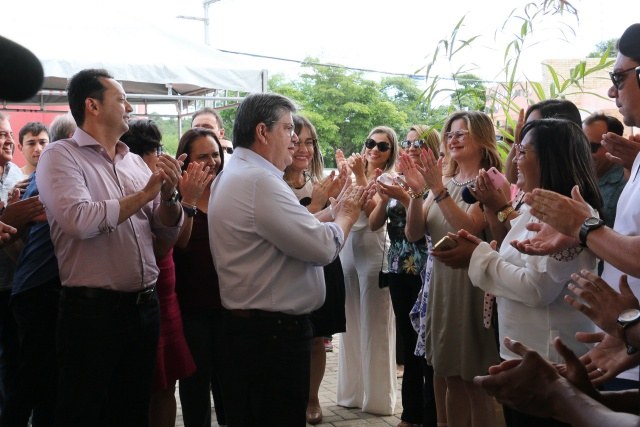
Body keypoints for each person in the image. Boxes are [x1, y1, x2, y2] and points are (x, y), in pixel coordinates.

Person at [36, 68, 185, 426]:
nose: (129, 106)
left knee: (132, 408)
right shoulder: (60, 156)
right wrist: (147, 193)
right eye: (121, 99)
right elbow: (80, 220)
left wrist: (170, 198)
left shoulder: (133, 161)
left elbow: (162, 235)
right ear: (93, 105)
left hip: (143, 306)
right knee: (84, 410)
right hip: (92, 313)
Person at [208, 92, 366, 426]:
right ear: (263, 132)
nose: (294, 140)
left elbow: (292, 228)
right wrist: (347, 215)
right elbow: (321, 248)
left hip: (254, 331)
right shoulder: (259, 180)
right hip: (271, 338)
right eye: (287, 129)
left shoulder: (241, 172)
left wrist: (331, 212)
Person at [512, 23, 640, 390]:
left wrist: (584, 226)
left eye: (620, 76)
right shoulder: (635, 160)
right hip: (624, 350)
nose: (612, 90)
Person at [452, 118, 602, 427]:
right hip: (527, 355)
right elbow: (521, 261)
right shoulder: (538, 206)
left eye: (523, 150)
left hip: (553, 363)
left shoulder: (569, 213)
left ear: (551, 157)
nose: (514, 157)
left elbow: (537, 288)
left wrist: (477, 255)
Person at [403, 110, 502, 427]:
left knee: (475, 381)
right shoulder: (441, 181)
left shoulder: (489, 183)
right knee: (444, 375)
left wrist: (437, 189)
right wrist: (419, 192)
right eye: (450, 133)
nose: (453, 139)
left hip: (472, 290)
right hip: (441, 289)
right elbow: (414, 234)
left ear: (482, 138)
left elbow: (468, 229)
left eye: (462, 133)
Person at [120, 119, 198, 427]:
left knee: (166, 384)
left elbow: (171, 245)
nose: (151, 158)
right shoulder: (125, 185)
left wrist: (174, 194)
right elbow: (162, 248)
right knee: (141, 385)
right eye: (146, 150)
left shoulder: (164, 187)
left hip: (164, 293)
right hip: (139, 294)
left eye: (154, 149)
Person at [369, 125, 439, 427]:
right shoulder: (395, 178)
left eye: (418, 143)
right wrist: (386, 197)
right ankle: (411, 415)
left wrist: (410, 195)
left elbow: (418, 232)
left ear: (432, 149)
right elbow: (374, 224)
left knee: (429, 346)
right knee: (410, 345)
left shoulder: (435, 184)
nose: (410, 148)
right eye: (408, 143)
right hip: (398, 269)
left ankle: (430, 412)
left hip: (427, 269)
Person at [283, 114, 346, 424]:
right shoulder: (271, 185)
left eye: (309, 142)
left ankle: (312, 398)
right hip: (288, 273)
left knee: (317, 337)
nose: (303, 149)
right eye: (296, 141)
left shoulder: (322, 182)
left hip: (323, 266)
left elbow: (338, 227)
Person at [337, 126, 398, 416]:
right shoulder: (351, 172)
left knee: (375, 324)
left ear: (390, 153)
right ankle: (351, 393)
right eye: (370, 143)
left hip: (375, 251)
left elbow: (376, 217)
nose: (374, 149)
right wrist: (344, 177)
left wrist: (360, 177)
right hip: (349, 250)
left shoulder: (391, 179)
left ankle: (377, 399)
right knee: (349, 323)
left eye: (382, 146)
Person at [172, 128, 226, 427]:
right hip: (191, 305)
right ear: (186, 160)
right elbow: (179, 242)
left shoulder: (228, 189)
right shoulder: (175, 193)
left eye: (216, 154)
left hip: (229, 302)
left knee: (229, 382)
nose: (212, 161)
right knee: (195, 384)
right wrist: (189, 202)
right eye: (202, 156)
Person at [0, 112, 26, 415]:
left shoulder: (18, 176)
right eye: (1, 134)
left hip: (14, 285)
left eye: (8, 134)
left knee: (13, 364)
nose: (8, 140)